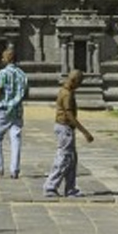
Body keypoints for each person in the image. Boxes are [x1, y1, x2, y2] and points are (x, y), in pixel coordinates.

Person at [42, 68, 94, 198]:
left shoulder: (66, 91)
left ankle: (70, 188)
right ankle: (50, 186)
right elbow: (69, 115)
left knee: (72, 160)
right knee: (64, 158)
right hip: (64, 128)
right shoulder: (67, 94)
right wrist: (85, 132)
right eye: (79, 83)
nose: (79, 86)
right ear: (74, 80)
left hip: (66, 128)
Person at [0, 46, 27, 178]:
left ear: (8, 59)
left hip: (4, 109)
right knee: (15, 138)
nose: (1, 59)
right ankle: (15, 170)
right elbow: (26, 93)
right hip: (17, 110)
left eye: (3, 57)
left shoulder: (2, 73)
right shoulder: (22, 74)